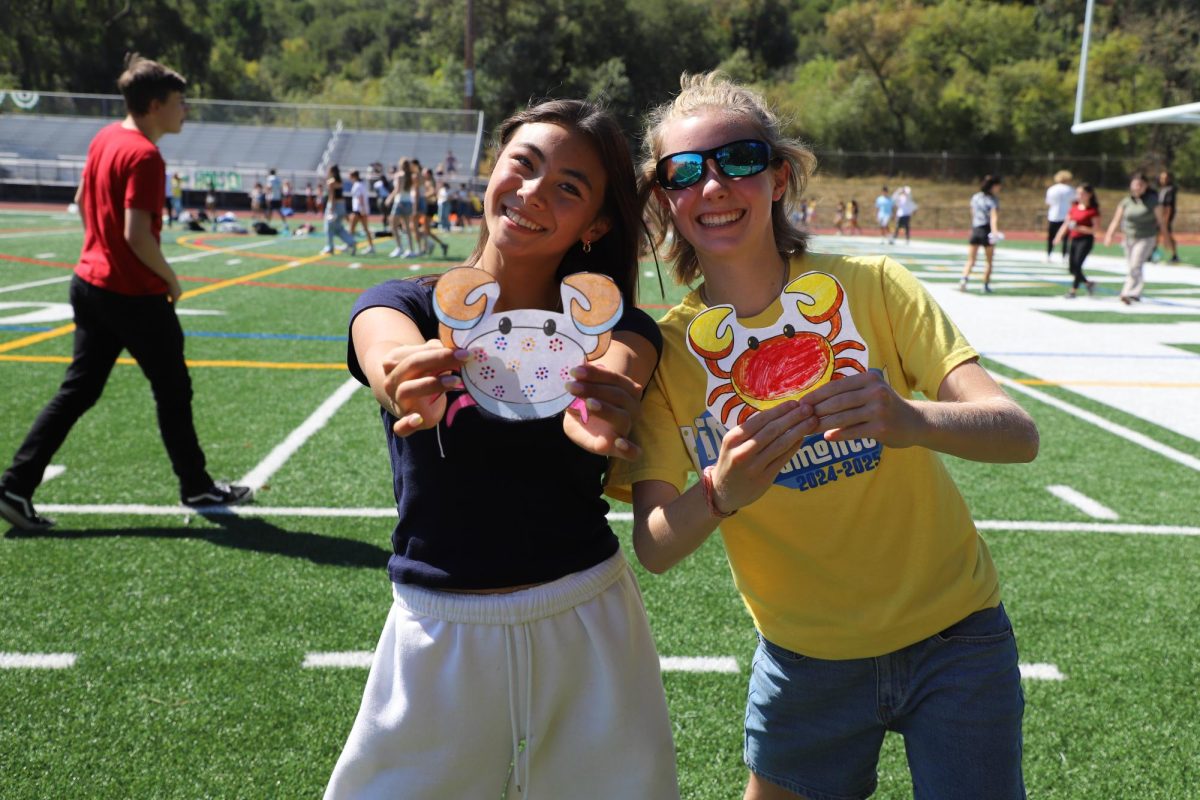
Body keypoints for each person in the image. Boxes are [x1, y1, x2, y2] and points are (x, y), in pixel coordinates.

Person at [612, 71, 1038, 800]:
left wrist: (910, 421)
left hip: (956, 639)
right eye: (684, 172)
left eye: (739, 159)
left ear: (779, 177)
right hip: (805, 659)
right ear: (665, 200)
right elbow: (652, 542)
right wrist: (721, 492)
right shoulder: (668, 353)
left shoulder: (874, 286)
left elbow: (1016, 433)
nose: (713, 186)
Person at [323, 98, 679, 799]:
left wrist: (604, 409)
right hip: (438, 629)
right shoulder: (402, 304)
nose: (533, 193)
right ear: (494, 167)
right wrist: (404, 379)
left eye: (568, 188)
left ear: (597, 225)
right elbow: (386, 353)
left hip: (589, 624)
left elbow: (619, 372)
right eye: (524, 164)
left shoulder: (620, 327)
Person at [0, 54, 252, 531]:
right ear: (155, 105)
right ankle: (195, 484)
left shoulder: (105, 138)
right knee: (173, 389)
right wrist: (172, 279)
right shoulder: (144, 155)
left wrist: (101, 249)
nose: (185, 111)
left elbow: (81, 202)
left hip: (91, 283)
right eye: (179, 102)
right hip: (132, 295)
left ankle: (16, 484)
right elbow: (139, 236)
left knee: (79, 391)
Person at [1104, 171, 1159, 305]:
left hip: (1146, 237)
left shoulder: (1152, 201)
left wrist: (1165, 238)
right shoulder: (1126, 201)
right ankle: (1135, 292)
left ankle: (1128, 292)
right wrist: (1109, 234)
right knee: (1132, 266)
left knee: (1135, 264)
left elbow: (1161, 221)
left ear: (1146, 186)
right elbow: (1116, 219)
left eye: (1140, 184)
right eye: (1135, 184)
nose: (1137, 187)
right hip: (1129, 238)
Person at [1052, 183, 1100, 298]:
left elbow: (1095, 229)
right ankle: (1088, 284)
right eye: (1078, 193)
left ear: (1089, 195)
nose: (1079, 195)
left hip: (1085, 240)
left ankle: (1073, 290)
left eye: (1082, 193)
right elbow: (1066, 223)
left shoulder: (1092, 210)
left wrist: (1079, 228)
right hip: (1074, 239)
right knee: (1072, 268)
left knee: (1078, 265)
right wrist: (1058, 236)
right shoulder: (1074, 207)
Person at [960, 174, 1003, 293]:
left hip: (975, 229)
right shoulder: (993, 200)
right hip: (986, 230)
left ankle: (964, 279)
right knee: (989, 260)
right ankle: (985, 285)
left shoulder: (976, 197)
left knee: (971, 259)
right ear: (993, 186)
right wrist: (995, 232)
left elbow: (973, 214)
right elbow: (993, 218)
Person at [321, 164, 357, 256]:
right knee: (339, 228)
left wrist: (331, 210)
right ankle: (351, 242)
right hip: (342, 206)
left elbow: (332, 196)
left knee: (328, 228)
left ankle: (329, 248)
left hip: (334, 206)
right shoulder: (340, 181)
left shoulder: (331, 182)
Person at [386, 159, 417, 258]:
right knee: (407, 227)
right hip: (408, 202)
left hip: (399, 202)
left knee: (393, 225)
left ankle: (399, 248)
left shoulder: (399, 175)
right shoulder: (410, 176)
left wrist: (389, 199)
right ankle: (411, 250)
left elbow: (397, 190)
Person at [1044, 170, 1074, 263]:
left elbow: (1048, 202)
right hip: (1066, 215)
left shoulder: (1052, 189)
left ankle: (1049, 255)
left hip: (1053, 215)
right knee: (1065, 238)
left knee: (1051, 237)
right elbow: (1074, 202)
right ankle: (1064, 257)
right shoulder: (1071, 189)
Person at [347, 169, 376, 254]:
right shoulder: (361, 184)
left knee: (351, 228)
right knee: (365, 229)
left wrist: (362, 209)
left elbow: (360, 198)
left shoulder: (357, 185)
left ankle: (350, 246)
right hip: (361, 210)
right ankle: (371, 246)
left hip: (358, 210)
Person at [1157, 170, 1180, 263]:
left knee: (1167, 234)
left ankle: (1174, 255)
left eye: (1165, 178)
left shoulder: (1170, 190)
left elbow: (1168, 207)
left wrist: (1165, 220)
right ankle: (1153, 252)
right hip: (1159, 215)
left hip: (1165, 216)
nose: (1163, 180)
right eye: (1162, 178)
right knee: (1155, 234)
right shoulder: (1162, 189)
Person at [264, 167, 288, 232]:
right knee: (279, 211)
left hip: (272, 197)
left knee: (270, 211)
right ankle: (285, 224)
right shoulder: (278, 179)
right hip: (278, 197)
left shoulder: (270, 178)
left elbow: (269, 187)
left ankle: (267, 224)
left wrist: (267, 195)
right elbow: (281, 189)